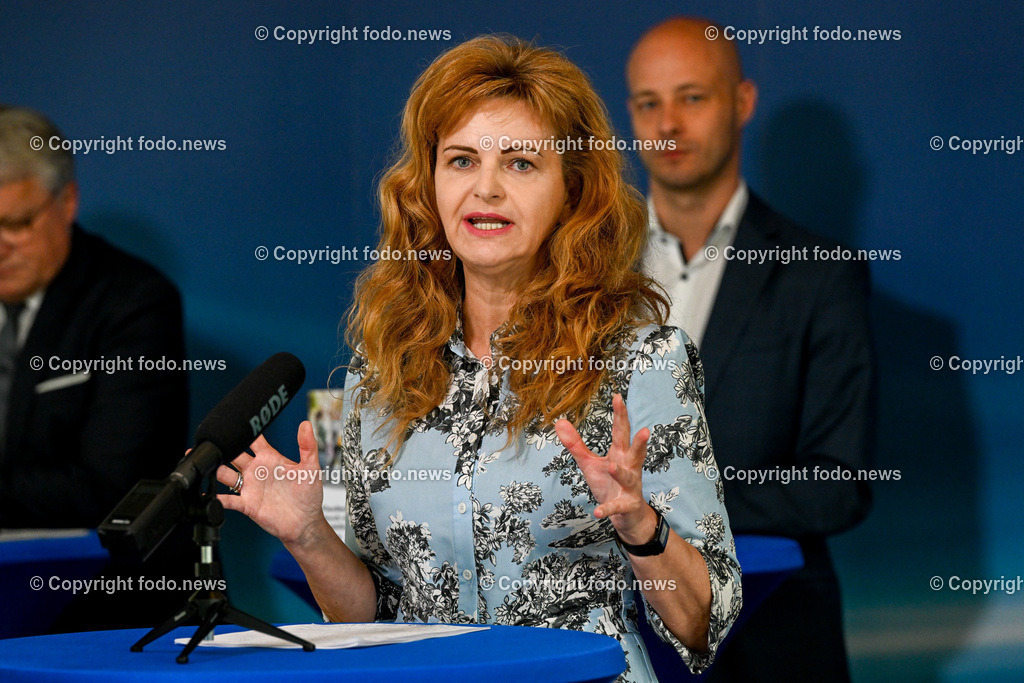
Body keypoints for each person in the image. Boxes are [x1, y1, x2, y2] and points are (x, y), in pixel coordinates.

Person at [217, 35, 741, 681]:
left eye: (520, 163)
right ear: (428, 184)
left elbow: (704, 620)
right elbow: (373, 615)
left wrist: (641, 525)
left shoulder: (642, 361)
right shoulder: (380, 374)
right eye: (461, 160)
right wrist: (309, 535)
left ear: (572, 192)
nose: (485, 188)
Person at [626, 18, 874, 681]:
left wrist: (657, 504)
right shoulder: (582, 272)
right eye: (648, 103)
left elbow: (839, 486)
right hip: (616, 632)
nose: (667, 124)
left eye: (691, 97)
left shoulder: (821, 275)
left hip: (774, 637)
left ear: (742, 101)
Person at [0, 105, 192, 628]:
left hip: (104, 608)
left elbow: (111, 488)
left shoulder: (135, 303)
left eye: (16, 224)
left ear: (66, 202)